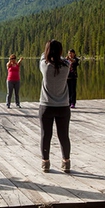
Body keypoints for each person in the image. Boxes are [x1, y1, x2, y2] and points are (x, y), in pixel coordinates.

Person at [39, 40, 71, 173]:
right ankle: (66, 162)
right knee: (64, 135)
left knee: (46, 135)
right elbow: (64, 60)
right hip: (63, 106)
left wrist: (48, 52)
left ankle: (46, 163)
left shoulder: (44, 65)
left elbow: (42, 56)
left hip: (46, 106)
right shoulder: (67, 65)